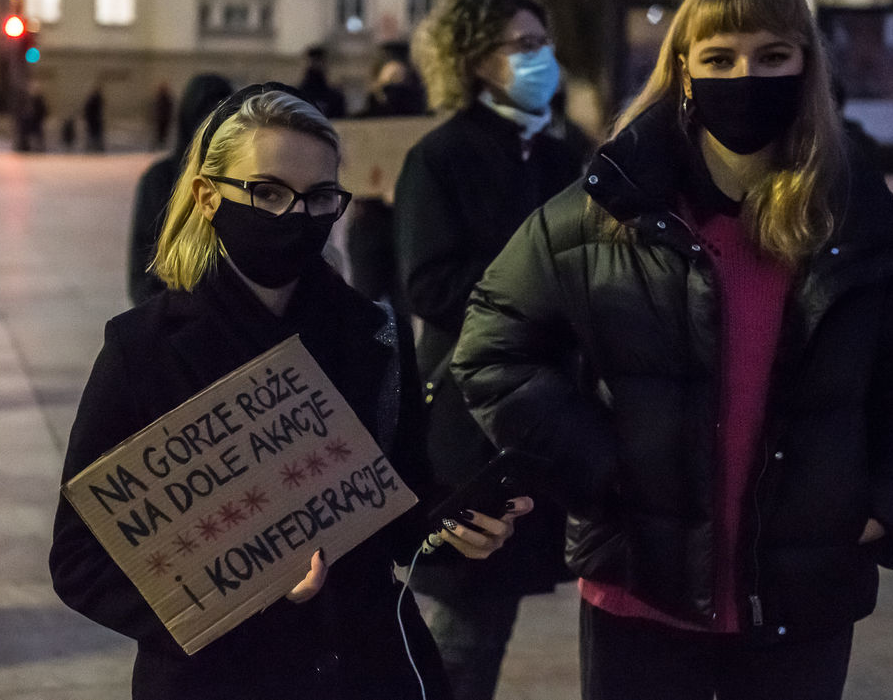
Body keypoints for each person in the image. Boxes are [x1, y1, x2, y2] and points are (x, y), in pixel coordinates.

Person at [450, 0, 893, 700]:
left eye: (772, 55)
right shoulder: (609, 209)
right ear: (683, 69)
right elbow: (493, 343)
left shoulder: (850, 216)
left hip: (799, 594)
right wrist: (597, 467)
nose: (745, 76)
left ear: (806, 66)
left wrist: (892, 503)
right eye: (719, 57)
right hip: (641, 590)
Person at [51, 83, 532, 700]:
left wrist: (453, 527)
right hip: (216, 682)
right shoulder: (142, 350)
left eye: (319, 198)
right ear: (207, 196)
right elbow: (79, 561)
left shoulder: (374, 335)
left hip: (364, 668)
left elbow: (394, 505)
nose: (294, 217)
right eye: (267, 193)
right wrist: (237, 602)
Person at [393, 0, 592, 700]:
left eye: (545, 43)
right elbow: (429, 283)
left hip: (548, 412)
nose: (543, 58)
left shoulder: (562, 153)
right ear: (477, 59)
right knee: (463, 623)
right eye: (524, 45)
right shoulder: (441, 155)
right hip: (469, 418)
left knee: (493, 613)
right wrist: (540, 292)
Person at [128, 73, 234, 305]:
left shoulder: (241, 184)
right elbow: (143, 272)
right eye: (203, 114)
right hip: (173, 318)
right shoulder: (160, 180)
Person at [297, 44, 348, 118]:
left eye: (318, 62)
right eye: (313, 62)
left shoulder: (335, 97)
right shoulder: (296, 95)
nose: (315, 66)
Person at [152, 81, 174, 149]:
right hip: (160, 118)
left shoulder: (167, 98)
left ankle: (161, 144)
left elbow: (170, 108)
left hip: (165, 118)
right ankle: (158, 144)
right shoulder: (159, 98)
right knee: (159, 132)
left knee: (164, 132)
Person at [83, 84, 105, 152]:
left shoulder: (93, 99)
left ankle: (94, 147)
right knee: (94, 134)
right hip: (94, 120)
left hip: (93, 120)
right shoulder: (95, 99)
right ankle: (95, 147)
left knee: (93, 134)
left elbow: (87, 110)